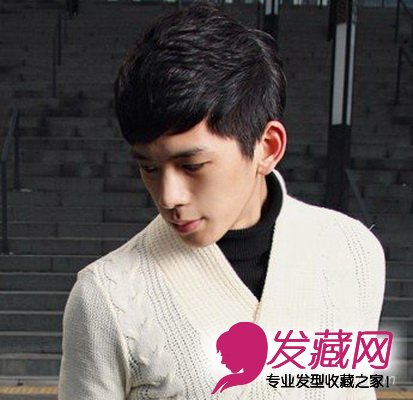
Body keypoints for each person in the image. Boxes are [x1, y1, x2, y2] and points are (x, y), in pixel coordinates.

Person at [58, 2, 386, 399]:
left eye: (192, 165)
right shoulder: (108, 297)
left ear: (267, 147)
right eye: (149, 167)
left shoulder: (352, 252)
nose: (168, 196)